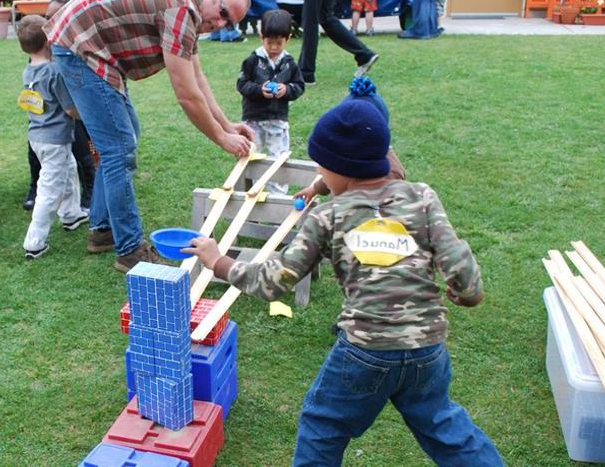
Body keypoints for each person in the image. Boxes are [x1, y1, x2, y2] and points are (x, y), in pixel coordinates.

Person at [183, 100, 503, 466]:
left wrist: (218, 261)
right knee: (444, 426)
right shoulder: (422, 197)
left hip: (365, 351)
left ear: (338, 168)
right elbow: (462, 270)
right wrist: (467, 294)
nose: (319, 172)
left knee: (324, 426)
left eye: (321, 166)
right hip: (426, 348)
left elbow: (272, 282)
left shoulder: (327, 218)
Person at [45, 0, 255, 272]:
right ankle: (130, 250)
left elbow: (197, 78)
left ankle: (103, 229)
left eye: (229, 23)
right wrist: (221, 139)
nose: (220, 25)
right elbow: (186, 95)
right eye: (222, 13)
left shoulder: (191, 9)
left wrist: (227, 126)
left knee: (123, 139)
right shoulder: (182, 8)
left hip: (96, 49)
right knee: (119, 148)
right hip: (79, 46)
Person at [17, 15, 89, 259]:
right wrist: (86, 115)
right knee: (48, 189)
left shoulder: (29, 70)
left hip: (36, 136)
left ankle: (71, 213)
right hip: (54, 139)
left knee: (68, 169)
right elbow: (69, 108)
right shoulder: (54, 72)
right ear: (50, 41)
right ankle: (34, 243)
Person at [25, 0, 96, 212]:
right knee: (36, 135)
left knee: (78, 137)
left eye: (55, 17)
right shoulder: (43, 52)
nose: (50, 24)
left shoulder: (82, 42)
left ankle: (90, 190)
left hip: (80, 106)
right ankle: (35, 185)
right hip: (55, 110)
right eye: (48, 17)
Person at [236, 9, 305, 193]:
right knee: (249, 158)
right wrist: (259, 90)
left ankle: (278, 198)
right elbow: (242, 84)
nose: (274, 47)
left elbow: (299, 86)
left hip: (277, 120)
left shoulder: (289, 63)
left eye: (279, 43)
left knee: (278, 161)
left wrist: (287, 90)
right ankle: (246, 192)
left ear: (288, 39)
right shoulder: (252, 61)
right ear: (261, 37)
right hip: (253, 121)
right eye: (270, 42)